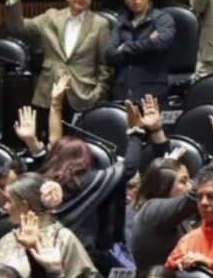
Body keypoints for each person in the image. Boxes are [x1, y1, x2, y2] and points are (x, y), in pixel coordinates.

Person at [131, 95, 213, 278]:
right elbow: (192, 191)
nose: (190, 185)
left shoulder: (166, 211)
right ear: (164, 186)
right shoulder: (152, 211)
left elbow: (166, 172)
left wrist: (156, 130)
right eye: (184, 180)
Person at [36, 81, 142, 251]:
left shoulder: (41, 181)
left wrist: (55, 105)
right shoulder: (91, 180)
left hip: (45, 248)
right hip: (83, 252)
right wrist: (136, 133)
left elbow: (54, 143)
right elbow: (129, 166)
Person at [0, 173, 97, 278]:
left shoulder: (63, 239)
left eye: (9, 201)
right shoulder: (7, 239)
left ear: (23, 206)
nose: (5, 207)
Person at [7, 0, 111, 115]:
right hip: (49, 92)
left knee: (78, 136)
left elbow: (105, 65)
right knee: (49, 136)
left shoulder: (100, 24)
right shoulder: (51, 18)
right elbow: (18, 27)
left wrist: (98, 93)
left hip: (83, 95)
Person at [105, 0, 177, 102]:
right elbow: (110, 55)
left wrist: (126, 47)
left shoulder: (162, 18)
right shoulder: (121, 23)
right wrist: (148, 44)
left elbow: (161, 44)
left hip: (152, 91)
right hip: (122, 92)